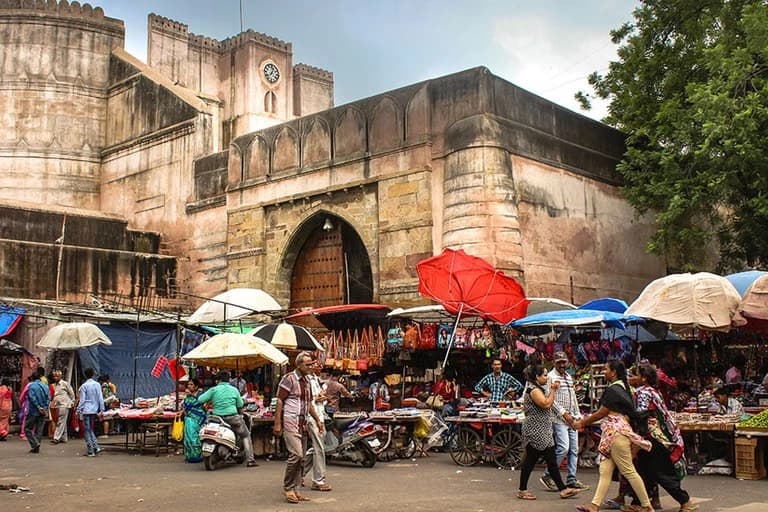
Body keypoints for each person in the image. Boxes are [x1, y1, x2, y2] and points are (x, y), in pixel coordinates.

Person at [573, 360, 653, 512]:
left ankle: (646, 505)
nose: (604, 371)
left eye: (606, 369)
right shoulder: (624, 388)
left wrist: (582, 422)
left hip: (616, 434)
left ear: (614, 372)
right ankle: (594, 505)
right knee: (605, 470)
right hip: (614, 434)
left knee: (628, 471)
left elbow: (602, 412)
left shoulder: (613, 390)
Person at [633, 364, 698, 512]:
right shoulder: (653, 391)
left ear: (643, 378)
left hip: (652, 437)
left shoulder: (643, 393)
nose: (632, 378)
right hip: (652, 435)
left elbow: (642, 415)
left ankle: (685, 500)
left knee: (660, 472)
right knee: (644, 471)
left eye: (635, 375)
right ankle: (641, 503)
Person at [516, 364, 580, 500]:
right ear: (536, 377)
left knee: (551, 461)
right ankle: (522, 490)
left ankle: (563, 489)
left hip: (544, 429)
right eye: (544, 375)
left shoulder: (538, 388)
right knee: (531, 461)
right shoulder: (533, 390)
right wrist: (553, 390)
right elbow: (546, 404)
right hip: (535, 430)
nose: (547, 377)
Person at [274, 352, 324, 504]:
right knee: (297, 455)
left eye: (311, 364)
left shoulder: (307, 381)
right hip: (290, 421)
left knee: (301, 459)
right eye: (307, 364)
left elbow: (308, 404)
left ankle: (296, 490)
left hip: (303, 423)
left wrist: (317, 420)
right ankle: (288, 487)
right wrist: (277, 423)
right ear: (299, 365)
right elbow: (280, 401)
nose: (310, 367)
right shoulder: (289, 379)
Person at [540, 352, 588, 492]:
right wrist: (564, 413)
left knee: (574, 449)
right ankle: (548, 475)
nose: (562, 365)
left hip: (572, 418)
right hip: (559, 419)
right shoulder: (550, 377)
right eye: (559, 362)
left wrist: (577, 414)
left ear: (567, 362)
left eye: (564, 362)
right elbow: (550, 399)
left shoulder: (568, 377)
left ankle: (571, 478)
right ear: (554, 362)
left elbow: (573, 397)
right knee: (563, 448)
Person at [197, 370, 258, 467]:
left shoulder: (214, 390)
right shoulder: (234, 390)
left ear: (218, 380)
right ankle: (250, 460)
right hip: (232, 417)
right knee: (245, 435)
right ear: (228, 380)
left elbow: (200, 399)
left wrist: (211, 399)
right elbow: (240, 404)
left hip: (216, 418)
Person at [303, 360, 332, 492]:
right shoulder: (306, 380)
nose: (318, 367)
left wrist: (322, 398)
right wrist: (317, 399)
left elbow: (319, 397)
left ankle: (299, 474)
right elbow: (308, 401)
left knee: (316, 448)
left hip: (320, 415)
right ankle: (318, 480)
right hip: (313, 417)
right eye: (315, 364)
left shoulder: (315, 379)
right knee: (319, 448)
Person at [77, 368, 105, 457]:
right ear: (93, 374)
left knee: (87, 430)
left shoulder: (84, 386)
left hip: (86, 410)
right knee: (90, 429)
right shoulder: (97, 385)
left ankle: (90, 450)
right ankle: (96, 446)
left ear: (85, 375)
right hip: (94, 410)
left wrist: (78, 409)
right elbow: (100, 398)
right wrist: (101, 409)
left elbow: (82, 400)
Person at [178, 378, 206, 463]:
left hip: (197, 418)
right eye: (188, 384)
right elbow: (185, 406)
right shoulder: (187, 396)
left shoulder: (201, 394)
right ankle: (189, 455)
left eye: (191, 384)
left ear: (196, 386)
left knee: (195, 437)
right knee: (188, 437)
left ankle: (197, 455)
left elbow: (203, 404)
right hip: (188, 418)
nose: (189, 386)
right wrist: (181, 412)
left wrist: (192, 395)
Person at [25, 367, 50, 453]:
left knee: (27, 428)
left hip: (33, 411)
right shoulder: (45, 386)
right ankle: (36, 446)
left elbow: (32, 398)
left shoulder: (32, 386)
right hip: (43, 411)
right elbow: (48, 398)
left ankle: (35, 444)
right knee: (39, 429)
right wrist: (44, 408)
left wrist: (38, 407)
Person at [50, 370, 75, 444]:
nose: (55, 377)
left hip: (64, 404)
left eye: (57, 376)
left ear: (60, 376)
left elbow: (71, 393)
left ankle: (56, 437)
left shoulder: (65, 384)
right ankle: (64, 438)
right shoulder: (54, 385)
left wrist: (72, 401)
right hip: (57, 405)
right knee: (62, 421)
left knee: (61, 421)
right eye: (54, 376)